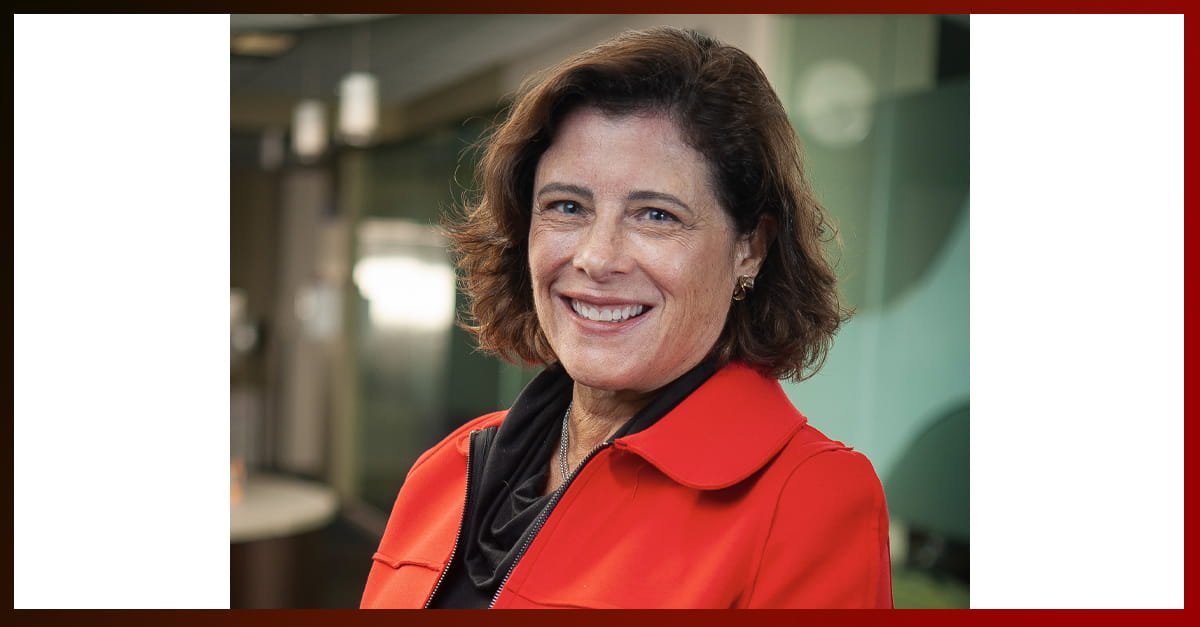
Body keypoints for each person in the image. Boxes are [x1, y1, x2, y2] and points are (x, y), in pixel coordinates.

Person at [361, 26, 892, 609]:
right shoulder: (447, 470)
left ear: (752, 248)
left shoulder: (806, 499)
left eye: (656, 216)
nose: (595, 258)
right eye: (567, 207)